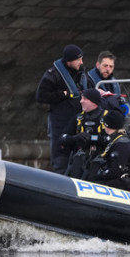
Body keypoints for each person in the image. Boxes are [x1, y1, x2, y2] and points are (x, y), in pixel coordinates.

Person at [36, 44, 91, 173]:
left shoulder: (82, 74)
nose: (81, 62)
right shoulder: (53, 75)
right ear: (69, 61)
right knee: (61, 159)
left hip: (78, 123)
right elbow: (41, 96)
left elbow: (90, 90)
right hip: (60, 123)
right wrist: (63, 94)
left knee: (80, 160)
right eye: (78, 59)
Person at [86, 110, 130, 193]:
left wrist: (97, 175)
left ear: (106, 125)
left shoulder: (122, 143)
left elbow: (115, 170)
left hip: (126, 184)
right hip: (122, 182)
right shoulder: (117, 140)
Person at [60, 88, 110, 179]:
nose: (81, 101)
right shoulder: (78, 118)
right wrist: (75, 138)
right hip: (80, 160)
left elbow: (112, 139)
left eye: (85, 99)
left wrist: (92, 138)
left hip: (99, 160)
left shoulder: (107, 117)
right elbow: (62, 137)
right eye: (81, 98)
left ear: (94, 102)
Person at [88, 50, 129, 114]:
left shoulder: (114, 82)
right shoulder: (88, 80)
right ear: (98, 65)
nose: (108, 69)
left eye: (111, 66)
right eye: (105, 66)